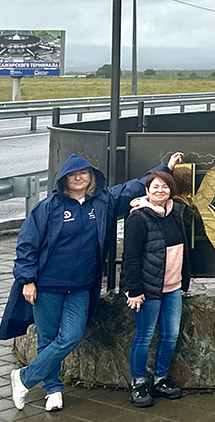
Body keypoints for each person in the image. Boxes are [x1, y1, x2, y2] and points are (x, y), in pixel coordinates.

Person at [2, 152, 182, 413]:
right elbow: (27, 243)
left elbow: (134, 187)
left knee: (71, 336)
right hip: (47, 285)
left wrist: (165, 167)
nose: (79, 177)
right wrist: (27, 280)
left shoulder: (103, 201)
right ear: (64, 179)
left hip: (81, 286)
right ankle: (53, 389)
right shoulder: (48, 207)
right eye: (73, 174)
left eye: (84, 173)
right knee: (48, 338)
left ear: (92, 177)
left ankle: (24, 378)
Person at [121, 171, 190, 408]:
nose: (160, 191)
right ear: (147, 190)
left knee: (170, 335)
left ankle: (160, 380)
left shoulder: (175, 213)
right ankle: (138, 384)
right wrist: (134, 290)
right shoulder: (138, 218)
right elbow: (131, 256)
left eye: (165, 187)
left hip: (173, 288)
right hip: (147, 289)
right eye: (155, 187)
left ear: (171, 190)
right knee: (144, 336)